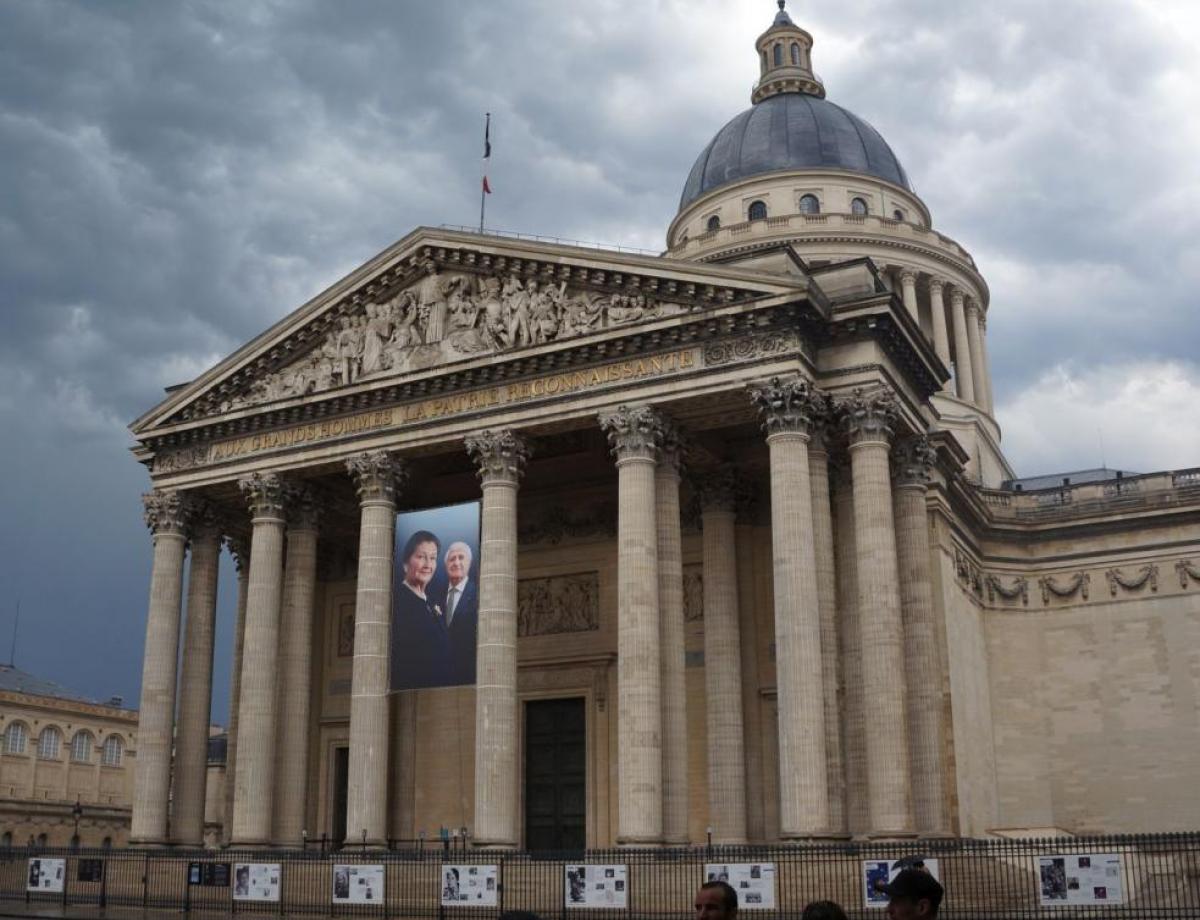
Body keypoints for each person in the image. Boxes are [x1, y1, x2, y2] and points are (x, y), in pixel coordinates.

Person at [391, 530, 451, 689]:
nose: (428, 565)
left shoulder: (432, 602)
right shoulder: (398, 601)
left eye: (433, 558)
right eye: (421, 557)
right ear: (405, 563)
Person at [442, 541, 478, 684]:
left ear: (469, 562)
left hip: (469, 673)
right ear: (446, 565)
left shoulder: (478, 594)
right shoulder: (434, 596)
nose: (456, 563)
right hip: (437, 674)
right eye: (452, 559)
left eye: (461, 557)